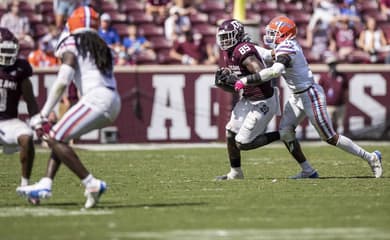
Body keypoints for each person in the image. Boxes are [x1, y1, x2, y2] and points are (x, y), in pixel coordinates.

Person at [234, 16, 383, 178]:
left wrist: (245, 80)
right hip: (297, 96)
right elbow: (266, 54)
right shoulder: (284, 46)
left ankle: (371, 157)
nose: (270, 35)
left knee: (330, 137)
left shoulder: (287, 47)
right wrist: (246, 46)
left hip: (310, 94)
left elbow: (274, 71)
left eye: (274, 33)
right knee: (285, 132)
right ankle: (308, 170)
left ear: (284, 34)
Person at [16, 6, 122, 208]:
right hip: (112, 99)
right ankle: (46, 183)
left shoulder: (72, 41)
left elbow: (63, 80)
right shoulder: (102, 44)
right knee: (59, 137)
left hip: (96, 98)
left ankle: (91, 183)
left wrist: (43, 113)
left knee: (54, 137)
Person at [214, 19, 281, 180]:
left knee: (243, 143)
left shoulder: (243, 50)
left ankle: (282, 134)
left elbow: (262, 74)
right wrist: (224, 84)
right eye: (222, 37)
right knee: (230, 133)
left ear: (237, 35)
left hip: (263, 101)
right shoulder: (228, 52)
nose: (224, 41)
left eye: (227, 37)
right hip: (248, 98)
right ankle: (236, 173)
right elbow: (236, 87)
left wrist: (240, 81)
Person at [0, 28, 38, 195]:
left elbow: (30, 100)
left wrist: (37, 121)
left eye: (10, 51)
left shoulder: (21, 68)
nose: (7, 55)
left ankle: (24, 185)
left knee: (26, 137)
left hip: (9, 122)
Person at [318, 56, 348, 134]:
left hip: (340, 104)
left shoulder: (342, 76)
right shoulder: (323, 77)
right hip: (328, 105)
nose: (332, 67)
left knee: (340, 124)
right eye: (331, 65)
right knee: (328, 124)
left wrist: (345, 101)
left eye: (334, 64)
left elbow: (346, 90)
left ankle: (341, 139)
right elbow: (319, 90)